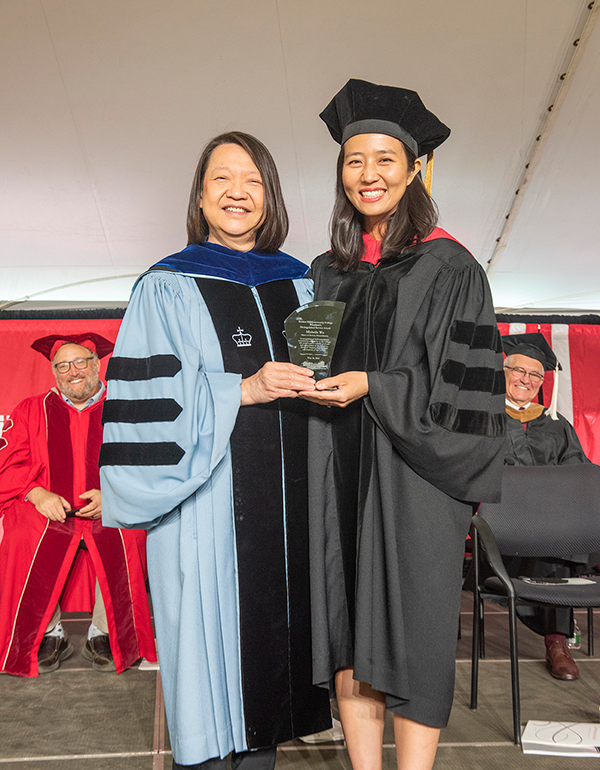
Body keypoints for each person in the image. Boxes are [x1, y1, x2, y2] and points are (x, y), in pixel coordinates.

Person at [99, 132, 331, 770]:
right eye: (222, 179)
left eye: (252, 181)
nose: (237, 192)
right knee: (207, 669)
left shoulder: (303, 284)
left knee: (269, 692)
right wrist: (244, 389)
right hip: (204, 507)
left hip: (287, 513)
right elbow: (152, 404)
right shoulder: (167, 285)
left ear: (269, 198)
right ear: (200, 197)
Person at [300, 80, 507, 770]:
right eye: (355, 160)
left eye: (385, 159)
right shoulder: (326, 271)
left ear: (416, 168)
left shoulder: (450, 267)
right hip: (337, 470)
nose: (369, 175)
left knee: (412, 631)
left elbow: (462, 394)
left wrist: (372, 386)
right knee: (348, 624)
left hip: (415, 479)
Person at [0, 333, 156, 677]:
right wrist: (37, 494)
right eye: (63, 366)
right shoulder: (32, 409)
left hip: (111, 505)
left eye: (80, 362)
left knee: (129, 535)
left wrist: (113, 496)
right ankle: (48, 632)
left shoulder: (125, 407)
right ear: (54, 372)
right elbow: (9, 464)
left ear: (96, 363)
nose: (73, 371)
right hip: (50, 509)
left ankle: (102, 631)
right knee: (22, 533)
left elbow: (149, 460)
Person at [501, 332, 591, 681]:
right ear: (504, 372)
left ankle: (557, 641)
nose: (526, 379)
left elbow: (578, 472)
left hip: (548, 525)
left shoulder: (557, 425)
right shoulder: (483, 420)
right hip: (500, 525)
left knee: (560, 537)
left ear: (542, 382)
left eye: (535, 375)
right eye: (519, 371)